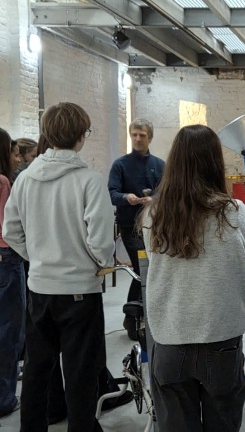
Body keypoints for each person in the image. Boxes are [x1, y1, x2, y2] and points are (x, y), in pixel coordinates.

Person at [3, 102, 115, 431]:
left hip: (40, 289)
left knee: (36, 371)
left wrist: (38, 257)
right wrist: (95, 263)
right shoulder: (89, 181)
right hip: (80, 291)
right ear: (81, 137)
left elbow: (10, 231)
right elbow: (101, 242)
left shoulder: (25, 179)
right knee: (81, 374)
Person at [140, 124, 245, 432]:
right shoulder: (234, 212)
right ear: (215, 162)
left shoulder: (153, 215)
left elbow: (159, 266)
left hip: (170, 339)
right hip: (222, 339)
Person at [108, 118, 164, 339]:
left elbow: (167, 193)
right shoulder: (120, 165)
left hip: (154, 226)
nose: (138, 139)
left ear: (150, 137)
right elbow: (112, 193)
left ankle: (142, 316)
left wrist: (154, 200)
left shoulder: (160, 165)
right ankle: (132, 317)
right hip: (130, 226)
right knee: (143, 269)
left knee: (149, 269)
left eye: (142, 135)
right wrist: (126, 197)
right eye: (134, 135)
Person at [0, 130, 25, 419]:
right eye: (13, 152)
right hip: (6, 257)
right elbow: (9, 228)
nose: (16, 159)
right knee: (9, 331)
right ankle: (4, 398)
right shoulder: (3, 181)